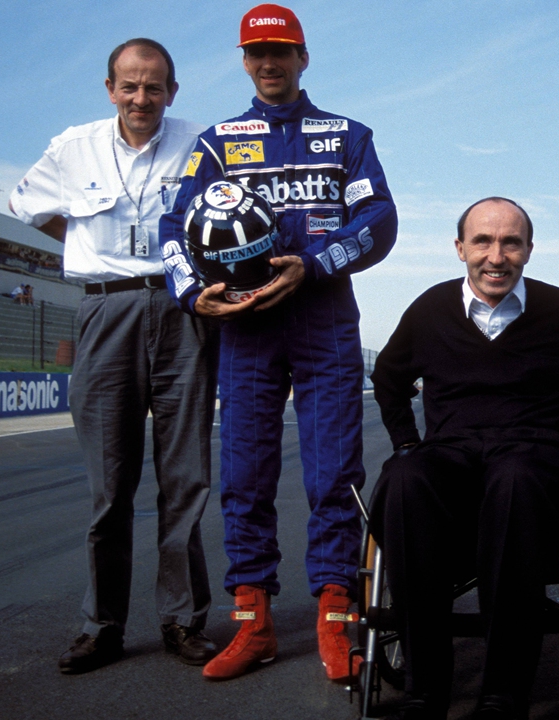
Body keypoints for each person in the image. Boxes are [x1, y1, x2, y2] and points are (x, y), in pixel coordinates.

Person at [159, 3, 397, 683]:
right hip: (247, 327)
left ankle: (334, 618)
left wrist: (315, 262)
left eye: (282, 51)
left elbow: (379, 217)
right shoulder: (218, 142)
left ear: (303, 57)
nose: (270, 64)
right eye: (257, 54)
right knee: (244, 478)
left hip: (323, 319)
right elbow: (173, 226)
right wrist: (189, 291)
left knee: (333, 476)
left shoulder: (345, 135)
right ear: (243, 60)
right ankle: (253, 623)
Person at [369, 198, 559, 719]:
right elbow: (388, 379)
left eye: (511, 242)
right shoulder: (429, 311)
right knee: (404, 478)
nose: (497, 256)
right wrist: (405, 442)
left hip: (538, 452)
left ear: (529, 250)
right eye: (483, 242)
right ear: (460, 249)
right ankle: (424, 692)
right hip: (455, 452)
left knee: (514, 479)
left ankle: (502, 695)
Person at [9, 38, 219, 674]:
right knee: (110, 486)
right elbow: (29, 205)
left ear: (172, 93)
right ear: (109, 89)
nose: (141, 98)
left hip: (181, 309)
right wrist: (86, 247)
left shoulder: (200, 143)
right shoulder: (73, 147)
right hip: (104, 309)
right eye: (129, 86)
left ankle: (183, 621)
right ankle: (101, 625)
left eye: (154, 87)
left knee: (184, 480)